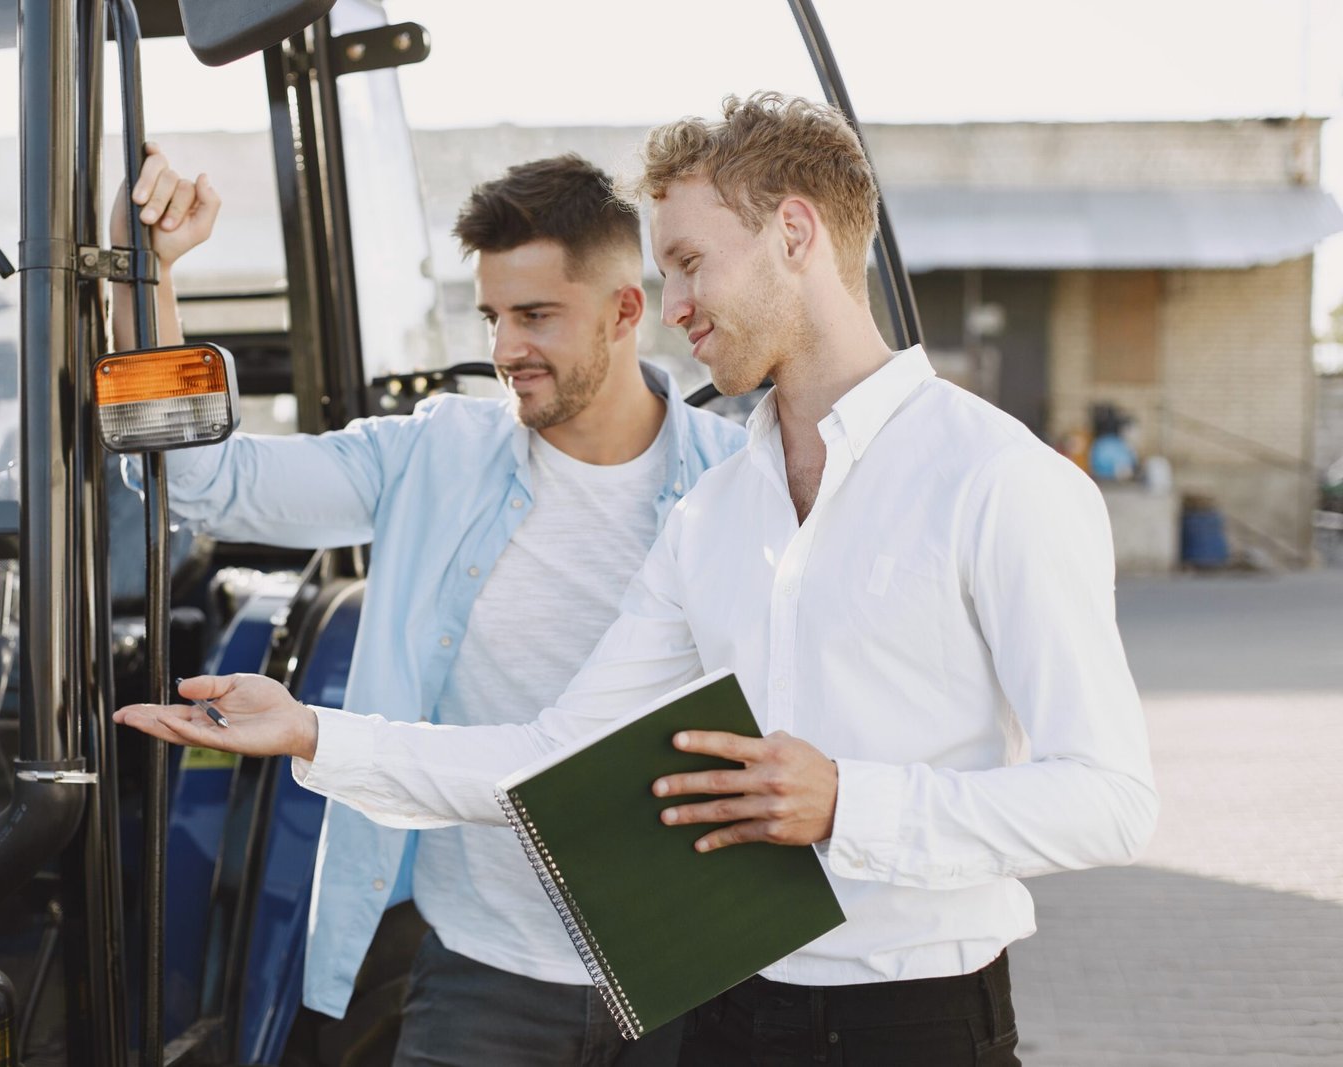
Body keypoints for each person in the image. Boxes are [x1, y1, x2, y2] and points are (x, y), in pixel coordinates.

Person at [117, 93, 1158, 1066]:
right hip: (713, 1002)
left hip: (908, 1012)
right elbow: (553, 755)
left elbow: (1108, 800)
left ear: (796, 236)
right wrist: (310, 729)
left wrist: (849, 801)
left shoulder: (996, 479)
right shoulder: (719, 514)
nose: (675, 308)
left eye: (692, 266)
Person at [111, 146, 747, 1065]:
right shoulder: (433, 455)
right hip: (482, 970)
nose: (504, 350)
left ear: (623, 310)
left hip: (687, 968)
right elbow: (204, 485)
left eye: (535, 316)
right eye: (491, 315)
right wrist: (152, 278)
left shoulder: (736, 488)